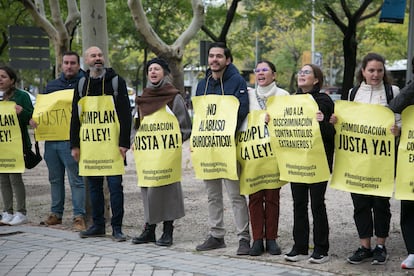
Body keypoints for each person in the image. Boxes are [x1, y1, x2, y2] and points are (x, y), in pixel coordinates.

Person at [330, 53, 400, 265]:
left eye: (379, 70)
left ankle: (380, 245)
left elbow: (401, 119)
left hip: (382, 159)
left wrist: (398, 130)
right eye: (371, 70)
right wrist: (336, 121)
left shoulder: (392, 91)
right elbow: (347, 121)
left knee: (380, 203)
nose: (375, 74)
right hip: (357, 159)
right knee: (360, 203)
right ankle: (364, 246)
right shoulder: (353, 92)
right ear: (363, 72)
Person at [194, 42, 251, 255]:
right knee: (212, 194)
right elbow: (199, 115)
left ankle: (244, 238)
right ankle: (216, 235)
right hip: (208, 148)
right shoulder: (202, 84)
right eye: (211, 56)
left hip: (229, 146)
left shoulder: (237, 81)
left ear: (228, 60)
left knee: (235, 195)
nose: (214, 60)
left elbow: (242, 109)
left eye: (219, 56)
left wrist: (224, 132)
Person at [70, 46, 131, 242]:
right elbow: (75, 117)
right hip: (90, 147)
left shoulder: (115, 81)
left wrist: (124, 143)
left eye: (100, 55)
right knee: (94, 188)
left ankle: (117, 228)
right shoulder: (81, 84)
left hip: (112, 146)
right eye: (93, 56)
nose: (98, 58)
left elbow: (125, 115)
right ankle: (97, 225)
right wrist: (75, 145)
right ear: (86, 61)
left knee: (115, 187)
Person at [131, 58, 192, 247]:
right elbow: (136, 125)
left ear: (165, 73)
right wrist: (134, 140)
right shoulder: (143, 97)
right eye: (150, 69)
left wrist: (170, 144)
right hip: (148, 154)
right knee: (148, 190)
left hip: (167, 154)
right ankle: (149, 229)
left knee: (167, 190)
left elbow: (185, 128)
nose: (153, 72)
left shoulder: (174, 97)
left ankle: (168, 231)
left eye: (157, 69)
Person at [284, 64, 335, 264]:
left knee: (316, 204)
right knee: (298, 203)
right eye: (300, 72)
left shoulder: (324, 100)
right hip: (296, 160)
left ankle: (322, 248)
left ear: (316, 80)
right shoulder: (291, 101)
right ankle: (300, 246)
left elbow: (332, 134)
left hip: (318, 161)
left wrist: (323, 122)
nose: (302, 75)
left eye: (307, 72)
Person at [244, 60, 289, 256]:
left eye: (265, 70)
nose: (261, 73)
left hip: (274, 155)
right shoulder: (248, 95)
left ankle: (271, 238)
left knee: (272, 198)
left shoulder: (284, 95)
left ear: (274, 74)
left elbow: (290, 122)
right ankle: (256, 239)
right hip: (253, 154)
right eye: (258, 70)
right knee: (254, 198)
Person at [39, 51, 86, 231]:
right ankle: (56, 214)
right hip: (51, 140)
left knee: (76, 180)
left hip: (71, 140)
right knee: (55, 179)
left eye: (72, 63)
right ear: (61, 65)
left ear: (78, 64)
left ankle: (78, 216)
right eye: (66, 63)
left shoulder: (84, 84)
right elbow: (43, 111)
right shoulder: (51, 86)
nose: (68, 66)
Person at [388, 56, 414, 270]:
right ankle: (413, 251)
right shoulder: (410, 90)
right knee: (409, 204)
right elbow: (394, 106)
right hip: (410, 158)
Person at [0, 66, 35, 225]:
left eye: (3, 76)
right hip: (2, 145)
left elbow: (32, 119)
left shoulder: (21, 96)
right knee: (3, 179)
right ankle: (7, 211)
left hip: (16, 145)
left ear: (12, 80)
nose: (0, 79)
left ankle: (21, 212)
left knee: (15, 178)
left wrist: (22, 112)